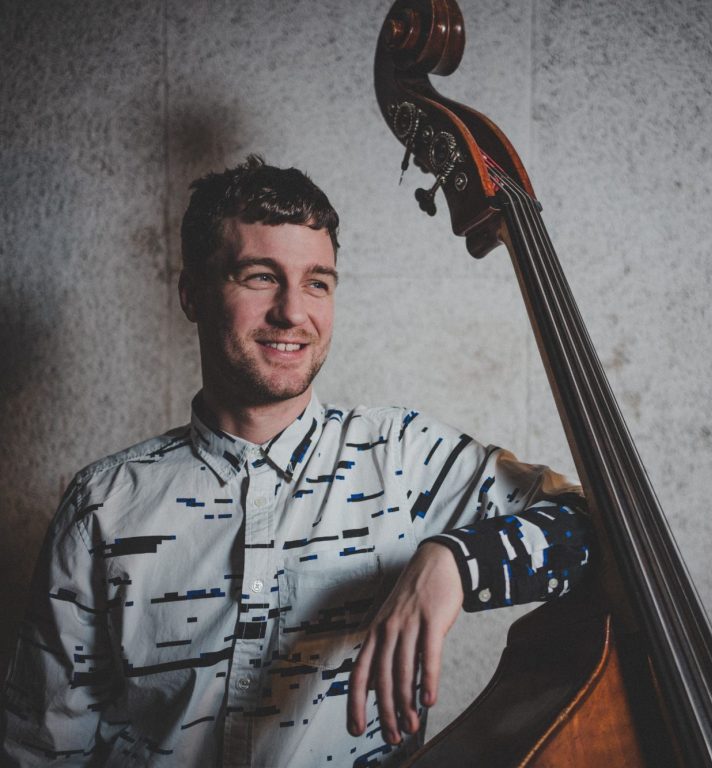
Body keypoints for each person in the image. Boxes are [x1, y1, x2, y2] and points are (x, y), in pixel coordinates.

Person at [0, 156, 590, 767]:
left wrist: (456, 562)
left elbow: (596, 527)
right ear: (192, 295)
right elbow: (42, 750)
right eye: (259, 277)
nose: (292, 312)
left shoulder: (408, 459)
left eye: (317, 282)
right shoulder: (103, 505)